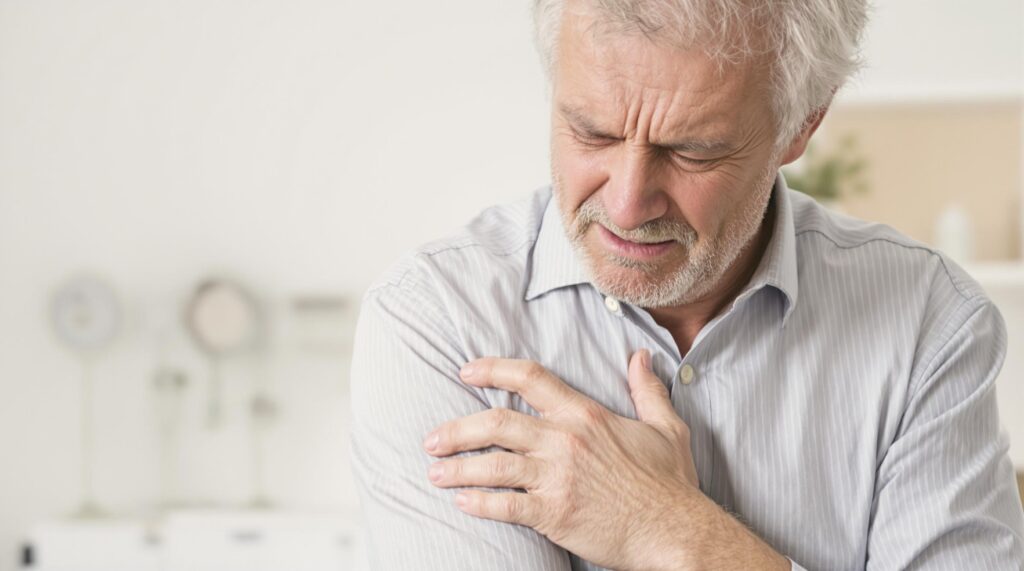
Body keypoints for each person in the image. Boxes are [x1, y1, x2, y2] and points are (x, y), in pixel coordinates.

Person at [349, 0, 1024, 568]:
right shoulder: (437, 319)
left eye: (692, 150)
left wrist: (671, 528)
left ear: (802, 124)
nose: (627, 202)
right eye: (592, 132)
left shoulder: (928, 325)